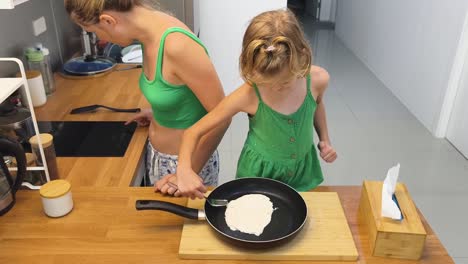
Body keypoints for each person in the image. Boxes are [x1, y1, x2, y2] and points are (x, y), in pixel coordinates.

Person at [157, 9, 337, 199]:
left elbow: (317, 104)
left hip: (302, 172)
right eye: (267, 83)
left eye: (284, 82)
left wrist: (324, 139)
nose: (277, 88)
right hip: (258, 175)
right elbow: (193, 132)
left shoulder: (318, 80)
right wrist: (184, 170)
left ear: (302, 57)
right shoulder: (249, 94)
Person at [65, 0, 229, 187]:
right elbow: (179, 91)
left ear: (108, 21)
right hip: (160, 159)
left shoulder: (177, 46)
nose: (100, 38)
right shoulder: (146, 33)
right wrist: (159, 112)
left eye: (94, 31)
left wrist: (186, 172)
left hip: (187, 167)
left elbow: (221, 118)